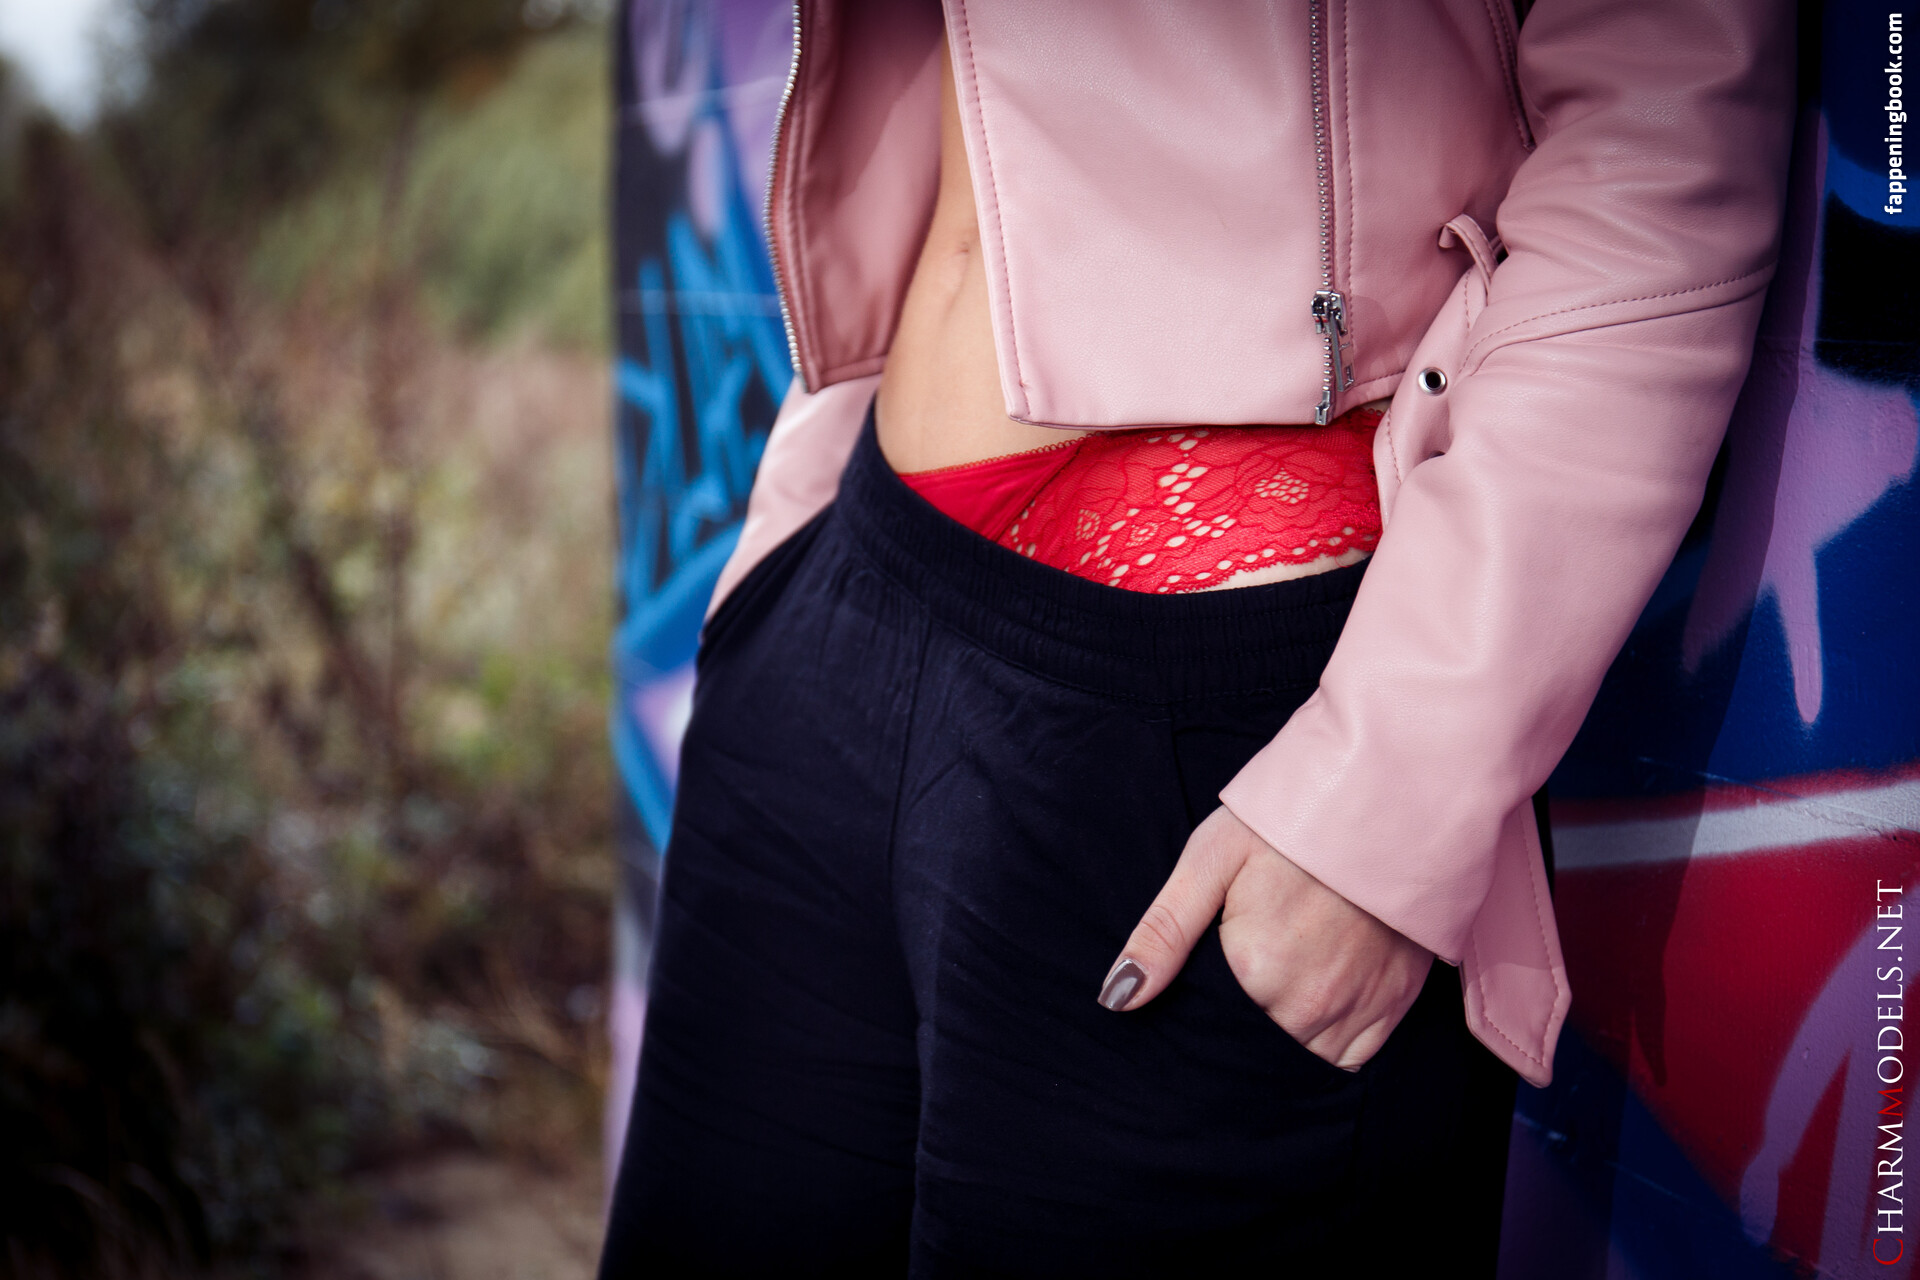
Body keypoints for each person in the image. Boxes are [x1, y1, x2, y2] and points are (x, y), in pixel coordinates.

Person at [598, 1, 1795, 1275]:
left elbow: (1661, 153)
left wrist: (1383, 800)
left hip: (1220, 748)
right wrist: (781, 586)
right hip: (844, 611)